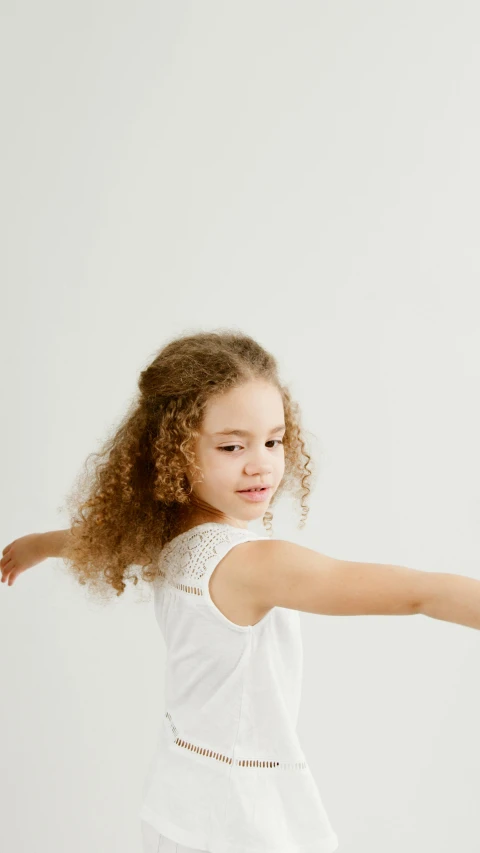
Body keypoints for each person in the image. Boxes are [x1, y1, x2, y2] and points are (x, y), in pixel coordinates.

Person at [2, 329, 480, 853]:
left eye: (273, 440)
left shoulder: (168, 538)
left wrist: (37, 546)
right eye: (233, 446)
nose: (261, 464)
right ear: (171, 452)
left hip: (182, 800)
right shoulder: (254, 565)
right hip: (242, 819)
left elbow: (99, 540)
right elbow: (419, 593)